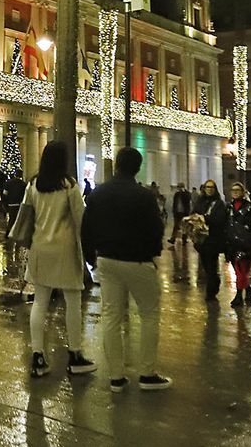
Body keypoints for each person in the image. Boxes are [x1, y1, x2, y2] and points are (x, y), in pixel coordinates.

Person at [82, 147, 170, 392]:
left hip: (107, 260)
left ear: (117, 165)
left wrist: (92, 258)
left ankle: (116, 376)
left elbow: (86, 227)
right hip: (137, 260)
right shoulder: (143, 195)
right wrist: (153, 253)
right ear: (137, 167)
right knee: (149, 314)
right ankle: (147, 373)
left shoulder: (98, 193)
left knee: (111, 316)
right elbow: (156, 229)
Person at [14, 140, 93, 378]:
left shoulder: (34, 185)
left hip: (40, 248)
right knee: (72, 301)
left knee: (40, 301)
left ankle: (37, 355)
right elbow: (81, 219)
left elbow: (25, 216)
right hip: (65, 250)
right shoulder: (69, 185)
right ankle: (75, 354)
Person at [223, 182, 251, 308]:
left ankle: (239, 295)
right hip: (232, 243)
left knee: (242, 270)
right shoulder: (228, 207)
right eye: (233, 190)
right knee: (237, 270)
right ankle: (248, 289)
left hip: (246, 243)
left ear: (242, 192)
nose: (235, 192)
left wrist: (248, 227)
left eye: (238, 190)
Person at [193, 181, 227, 301]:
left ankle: (210, 292)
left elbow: (220, 219)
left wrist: (206, 218)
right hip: (201, 239)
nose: (209, 189)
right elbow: (194, 213)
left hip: (213, 239)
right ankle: (215, 282)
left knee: (211, 264)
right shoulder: (200, 202)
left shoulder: (219, 204)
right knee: (206, 265)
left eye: (212, 187)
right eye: (207, 187)